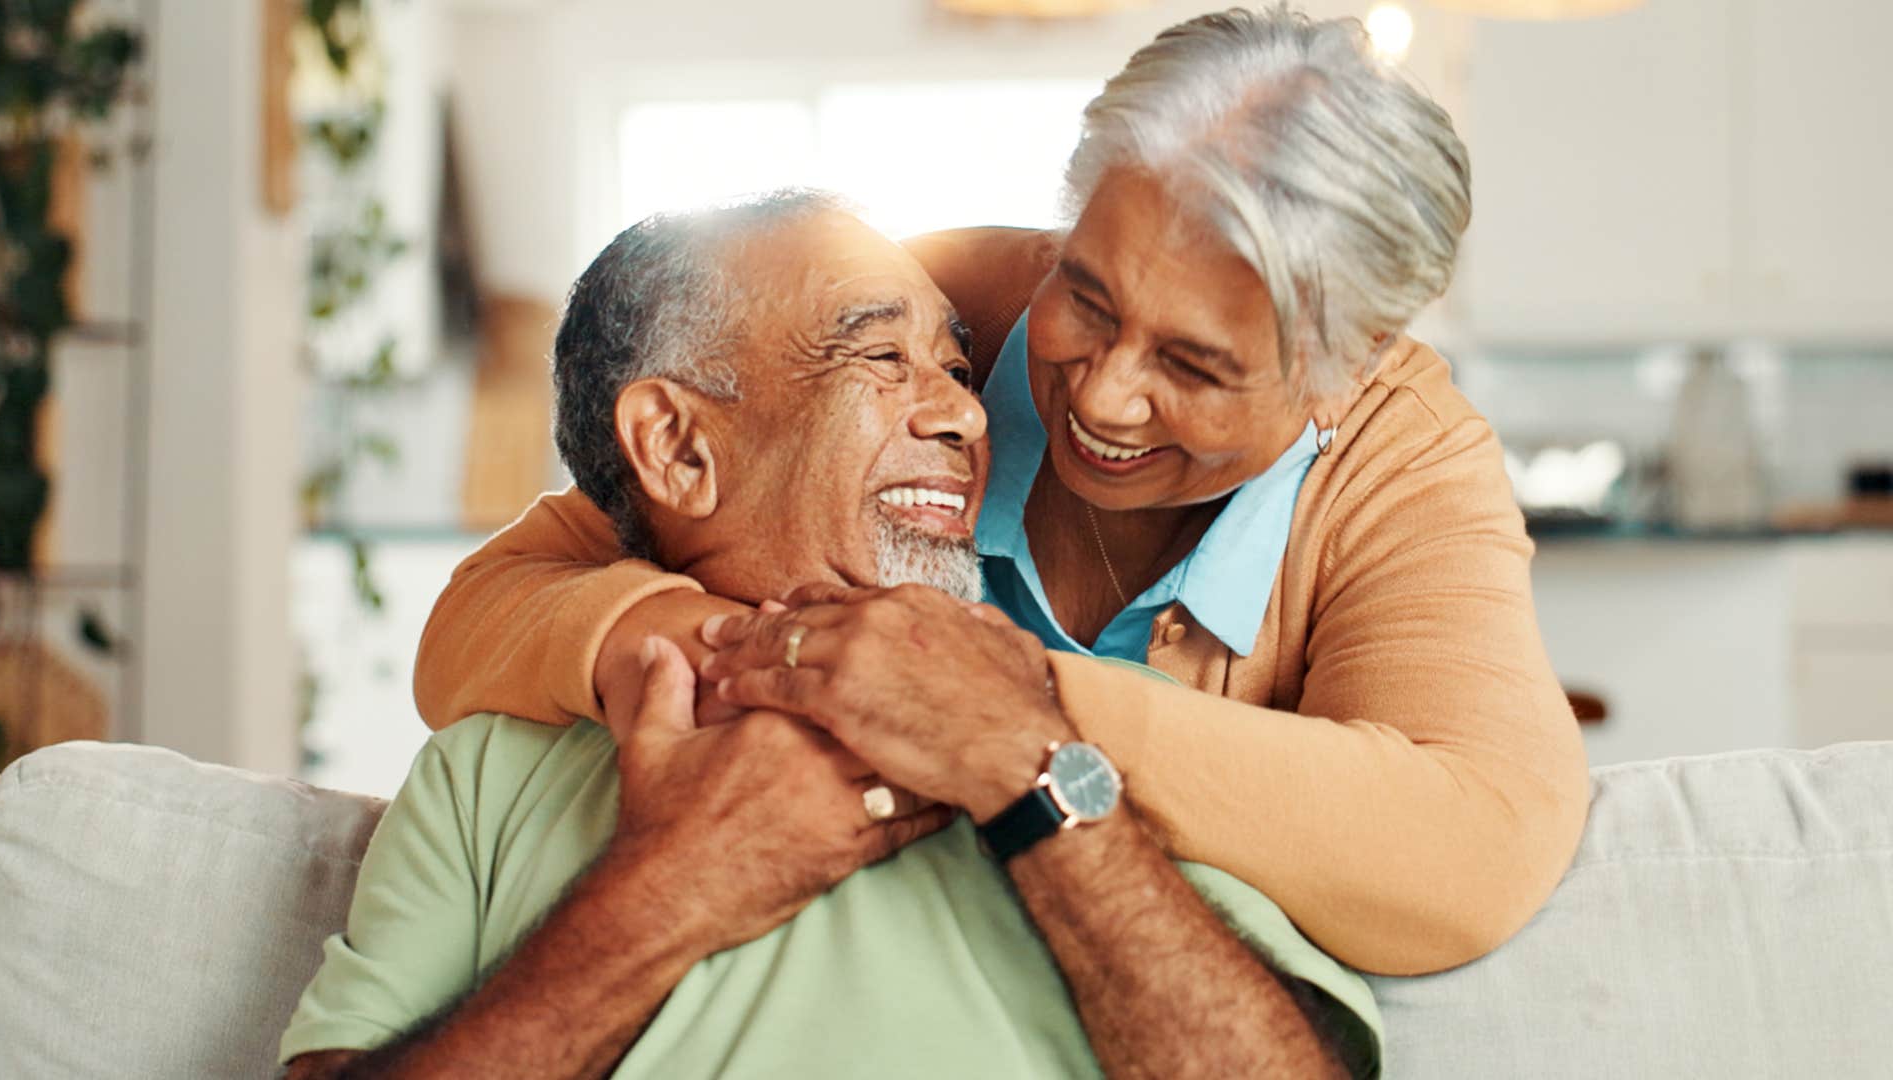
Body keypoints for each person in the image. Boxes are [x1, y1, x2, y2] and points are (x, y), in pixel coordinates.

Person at [412, 5, 1590, 977]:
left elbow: (1468, 850)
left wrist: (994, 710)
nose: (1104, 397)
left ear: (1348, 366)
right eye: (1087, 296)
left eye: (1195, 366)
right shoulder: (934, 312)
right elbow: (502, 595)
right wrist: (742, 649)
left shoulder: (1404, 456)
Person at [280, 193, 1380, 1079]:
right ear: (678, 448)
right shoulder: (487, 774)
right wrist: (679, 882)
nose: (966, 416)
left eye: (956, 368)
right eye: (881, 359)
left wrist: (1027, 770)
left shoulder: (1100, 737)